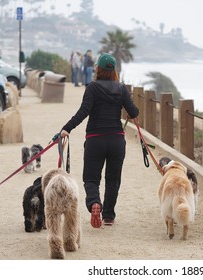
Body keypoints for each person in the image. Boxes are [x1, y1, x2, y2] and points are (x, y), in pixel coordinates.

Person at [60, 53, 139, 228]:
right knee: (113, 179)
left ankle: (95, 203)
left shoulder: (92, 88)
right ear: (114, 71)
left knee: (91, 178)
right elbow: (133, 113)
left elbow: (83, 112)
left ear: (98, 69)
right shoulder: (121, 88)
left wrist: (66, 129)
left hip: (95, 140)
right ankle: (109, 216)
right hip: (117, 140)